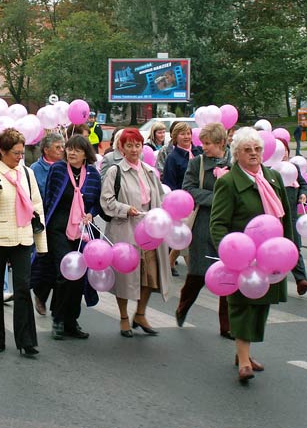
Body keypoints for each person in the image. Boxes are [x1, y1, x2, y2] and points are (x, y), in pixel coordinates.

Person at [210, 127, 292, 383]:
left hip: (270, 257)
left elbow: (285, 218)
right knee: (242, 306)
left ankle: (243, 353)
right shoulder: (228, 182)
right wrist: (229, 253)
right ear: (237, 154)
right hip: (242, 258)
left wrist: (290, 251)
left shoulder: (273, 178)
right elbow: (218, 224)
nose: (254, 154)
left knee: (260, 306)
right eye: (247, 150)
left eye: (257, 149)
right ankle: (243, 360)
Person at [0, 128, 47, 357]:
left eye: (21, 152)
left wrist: (41, 243)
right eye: (15, 153)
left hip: (22, 237)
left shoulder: (27, 173)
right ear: (2, 152)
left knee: (23, 289)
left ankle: (26, 341)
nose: (19, 157)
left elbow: (37, 207)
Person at [100, 128, 171, 338]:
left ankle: (140, 314)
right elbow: (106, 201)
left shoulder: (149, 171)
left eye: (137, 145)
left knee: (150, 276)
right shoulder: (116, 171)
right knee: (124, 277)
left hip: (148, 232)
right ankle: (123, 317)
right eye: (129, 145)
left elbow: (159, 198)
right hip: (125, 230)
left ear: (142, 147)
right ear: (121, 148)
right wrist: (125, 210)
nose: (134, 149)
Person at [176, 123, 232, 338]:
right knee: (198, 273)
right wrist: (218, 199)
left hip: (227, 226)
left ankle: (226, 326)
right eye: (203, 143)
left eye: (208, 144)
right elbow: (188, 189)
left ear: (221, 143)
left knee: (228, 274)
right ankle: (183, 307)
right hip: (202, 223)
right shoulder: (197, 163)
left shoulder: (234, 162)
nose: (204, 147)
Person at [44, 135, 102, 340]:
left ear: (86, 153)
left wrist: (90, 213)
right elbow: (49, 197)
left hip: (83, 231)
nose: (71, 153)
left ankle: (71, 320)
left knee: (79, 275)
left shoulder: (93, 175)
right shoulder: (58, 169)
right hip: (59, 228)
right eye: (69, 149)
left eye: (76, 150)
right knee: (65, 272)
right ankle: (58, 319)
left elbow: (97, 202)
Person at [29, 132, 65, 314]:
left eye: (62, 147)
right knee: (44, 262)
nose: (62, 150)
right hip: (43, 222)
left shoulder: (65, 167)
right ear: (46, 150)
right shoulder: (36, 169)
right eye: (58, 147)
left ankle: (57, 307)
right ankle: (40, 294)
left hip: (61, 223)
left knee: (60, 264)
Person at [162, 122, 202, 276]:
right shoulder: (173, 158)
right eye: (182, 134)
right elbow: (169, 183)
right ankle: (192, 269)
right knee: (185, 235)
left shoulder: (199, 152)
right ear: (175, 137)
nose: (187, 136)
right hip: (183, 203)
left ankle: (171, 262)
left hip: (199, 199)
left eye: (188, 133)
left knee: (190, 235)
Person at [281, 141, 307, 294]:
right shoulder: (267, 169)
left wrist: (303, 194)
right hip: (272, 217)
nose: (283, 154)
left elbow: (304, 185)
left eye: (285, 150)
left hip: (292, 216)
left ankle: (301, 280)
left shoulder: (293, 168)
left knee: (295, 247)